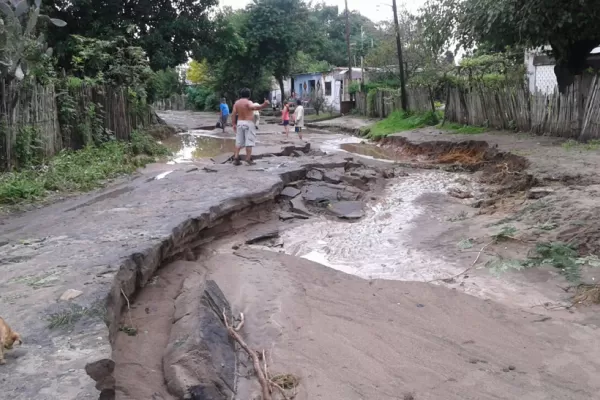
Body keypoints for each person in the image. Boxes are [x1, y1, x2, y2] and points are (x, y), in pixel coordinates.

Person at [231, 88, 269, 165]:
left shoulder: (236, 103)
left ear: (240, 95)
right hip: (248, 123)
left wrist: (234, 124)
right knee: (249, 141)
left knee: (238, 141)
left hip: (240, 123)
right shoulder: (248, 102)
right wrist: (264, 105)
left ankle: (236, 158)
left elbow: (233, 114)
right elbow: (254, 107)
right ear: (249, 95)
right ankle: (248, 159)